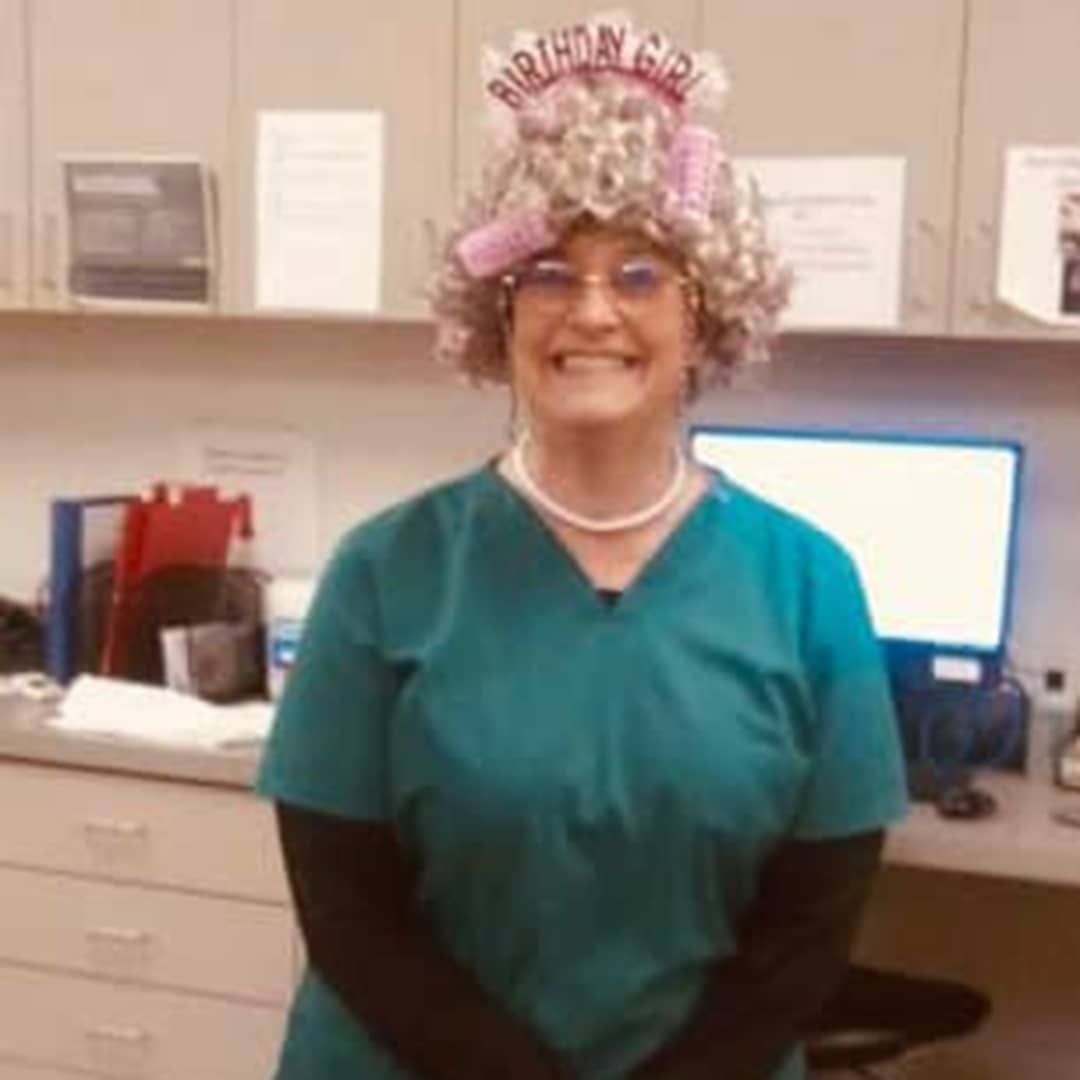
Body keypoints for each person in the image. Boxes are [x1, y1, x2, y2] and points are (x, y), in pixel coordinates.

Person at [256, 13, 908, 1080]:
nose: (592, 311)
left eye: (643, 273)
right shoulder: (386, 574)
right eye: (551, 273)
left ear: (705, 316)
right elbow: (348, 917)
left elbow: (807, 937)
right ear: (497, 314)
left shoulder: (808, 586)